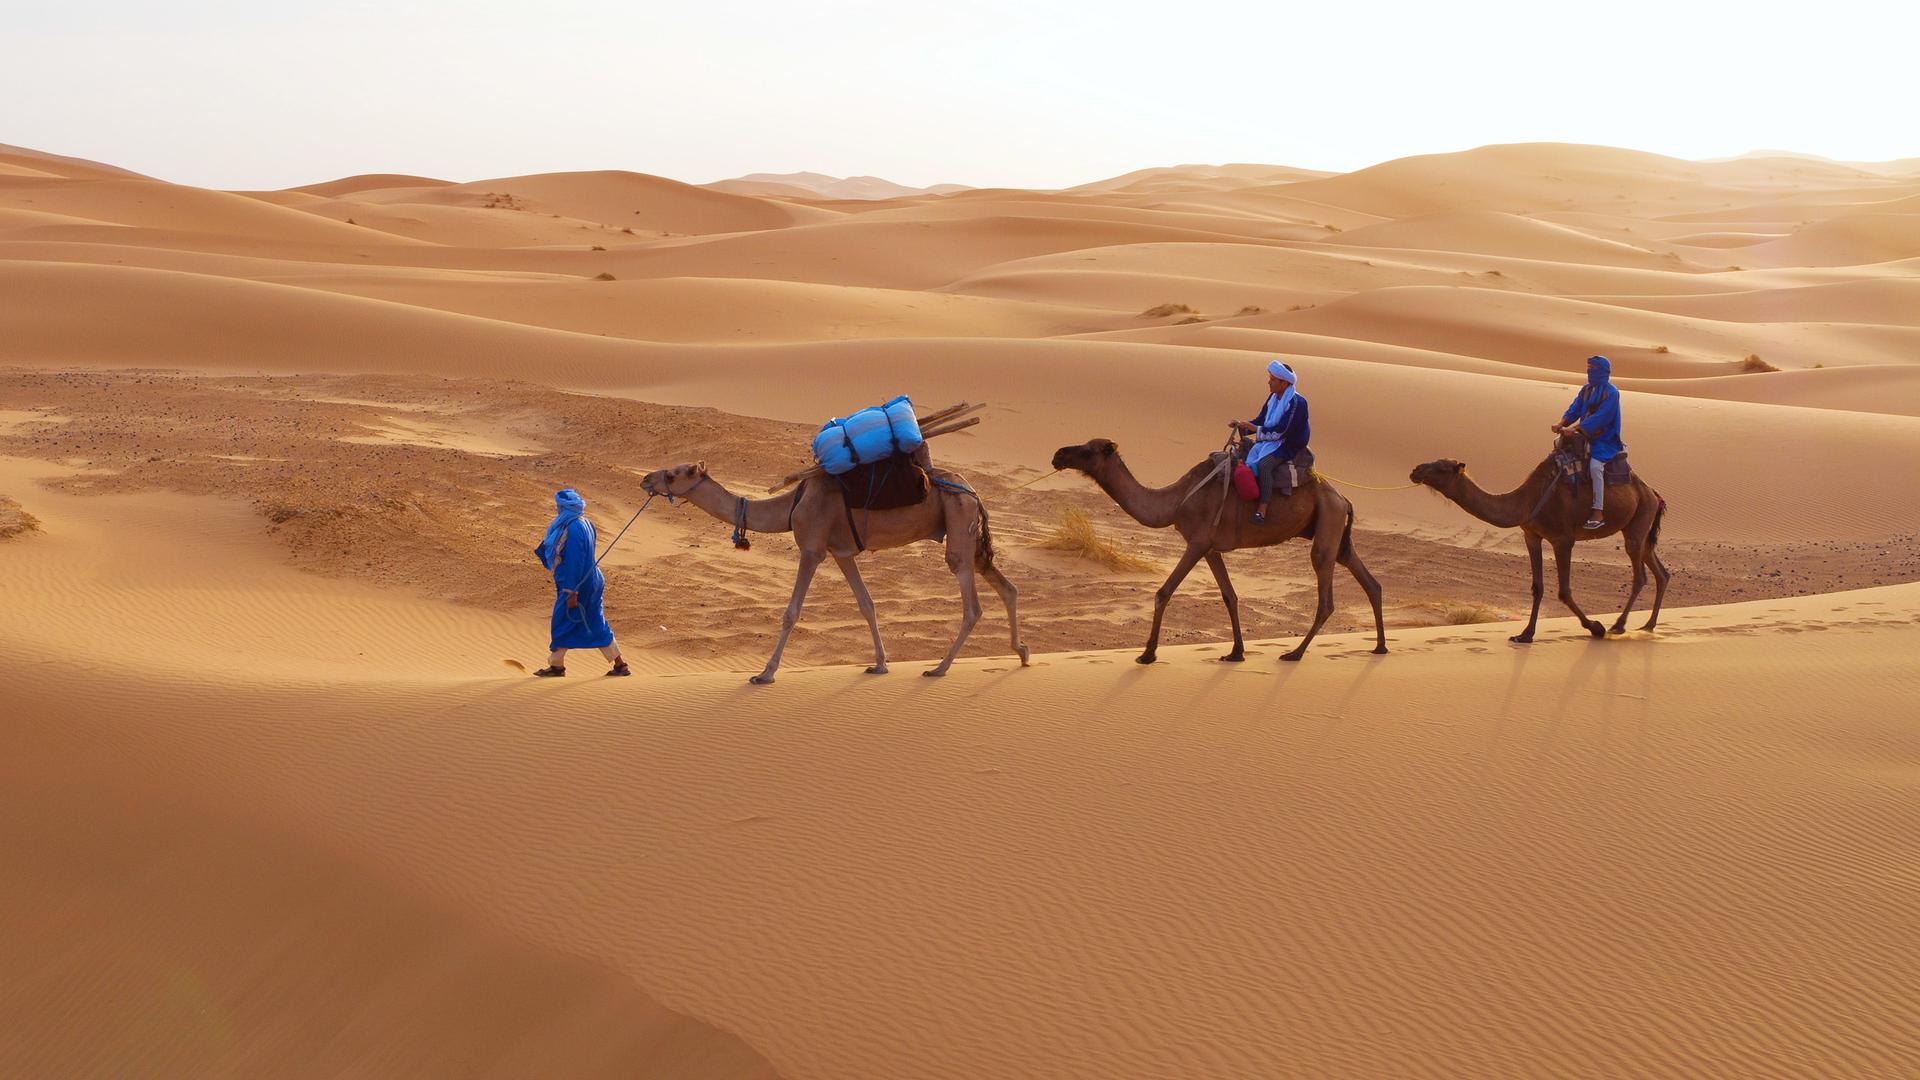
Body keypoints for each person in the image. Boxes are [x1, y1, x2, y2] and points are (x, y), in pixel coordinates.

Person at [532, 488, 629, 677]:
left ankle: (556, 666)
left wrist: (571, 590)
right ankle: (620, 665)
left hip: (579, 583)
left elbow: (575, 561)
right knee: (595, 622)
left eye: (559, 506)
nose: (557, 509)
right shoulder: (584, 523)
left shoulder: (574, 527)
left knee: (561, 622)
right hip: (589, 580)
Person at [1232, 359, 1310, 525]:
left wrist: (1255, 428)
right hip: (1271, 439)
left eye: (1273, 379)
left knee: (1264, 465)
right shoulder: (1273, 398)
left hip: (1288, 444)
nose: (1269, 382)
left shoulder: (1297, 403)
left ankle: (1262, 508)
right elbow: (1262, 420)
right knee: (1240, 456)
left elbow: (1283, 430)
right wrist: (1243, 425)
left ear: (1284, 383)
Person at [1553, 354, 1625, 530]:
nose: (1589, 372)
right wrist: (1562, 423)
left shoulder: (1612, 393)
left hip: (1604, 439)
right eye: (1588, 368)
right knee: (1557, 451)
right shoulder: (1586, 389)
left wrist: (1576, 429)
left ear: (1603, 371)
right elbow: (1575, 408)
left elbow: (1601, 418)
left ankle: (1598, 512)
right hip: (1583, 434)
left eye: (1593, 369)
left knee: (1594, 467)